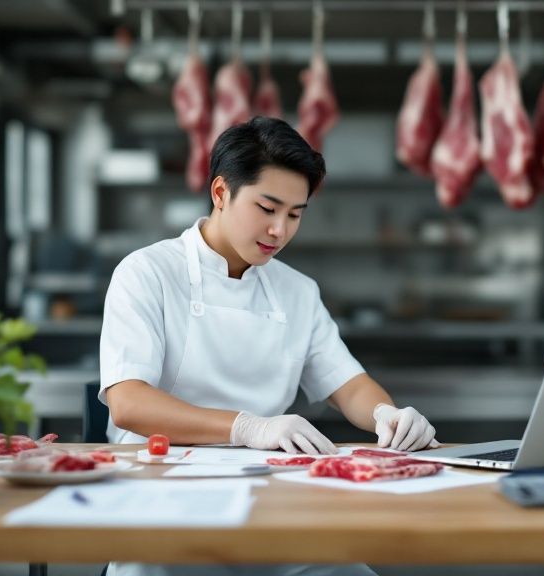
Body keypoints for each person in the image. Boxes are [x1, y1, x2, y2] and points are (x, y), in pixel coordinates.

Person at [98, 117, 438, 576]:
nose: (279, 230)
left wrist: (386, 415)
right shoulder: (147, 273)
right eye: (267, 207)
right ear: (221, 193)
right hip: (160, 501)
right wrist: (248, 428)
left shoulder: (297, 291)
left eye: (295, 214)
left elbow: (349, 384)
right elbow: (128, 403)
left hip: (273, 502)